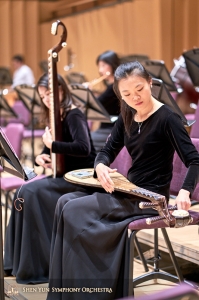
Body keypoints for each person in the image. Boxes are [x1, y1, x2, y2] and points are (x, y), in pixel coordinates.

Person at [47, 61, 199, 300]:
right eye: (126, 94)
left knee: (74, 210)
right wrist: (101, 165)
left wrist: (184, 191)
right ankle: (64, 291)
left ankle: (90, 292)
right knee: (64, 202)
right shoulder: (128, 113)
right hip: (127, 191)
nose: (135, 97)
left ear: (150, 83)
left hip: (149, 198)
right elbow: (107, 150)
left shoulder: (167, 118)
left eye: (139, 89)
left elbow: (194, 160)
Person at [3, 73, 96, 284]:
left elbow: (84, 148)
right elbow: (48, 148)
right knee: (22, 192)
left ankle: (37, 267)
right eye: (43, 96)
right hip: (64, 176)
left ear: (62, 89)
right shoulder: (56, 116)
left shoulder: (74, 115)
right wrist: (41, 155)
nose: (46, 99)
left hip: (82, 179)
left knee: (29, 192)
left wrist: (52, 146)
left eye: (50, 94)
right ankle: (14, 263)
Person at [89, 50, 120, 153]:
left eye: (103, 65)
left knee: (84, 142)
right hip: (105, 128)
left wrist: (88, 92)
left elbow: (97, 104)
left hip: (112, 130)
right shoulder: (111, 86)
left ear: (112, 65)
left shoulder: (115, 87)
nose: (100, 69)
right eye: (99, 66)